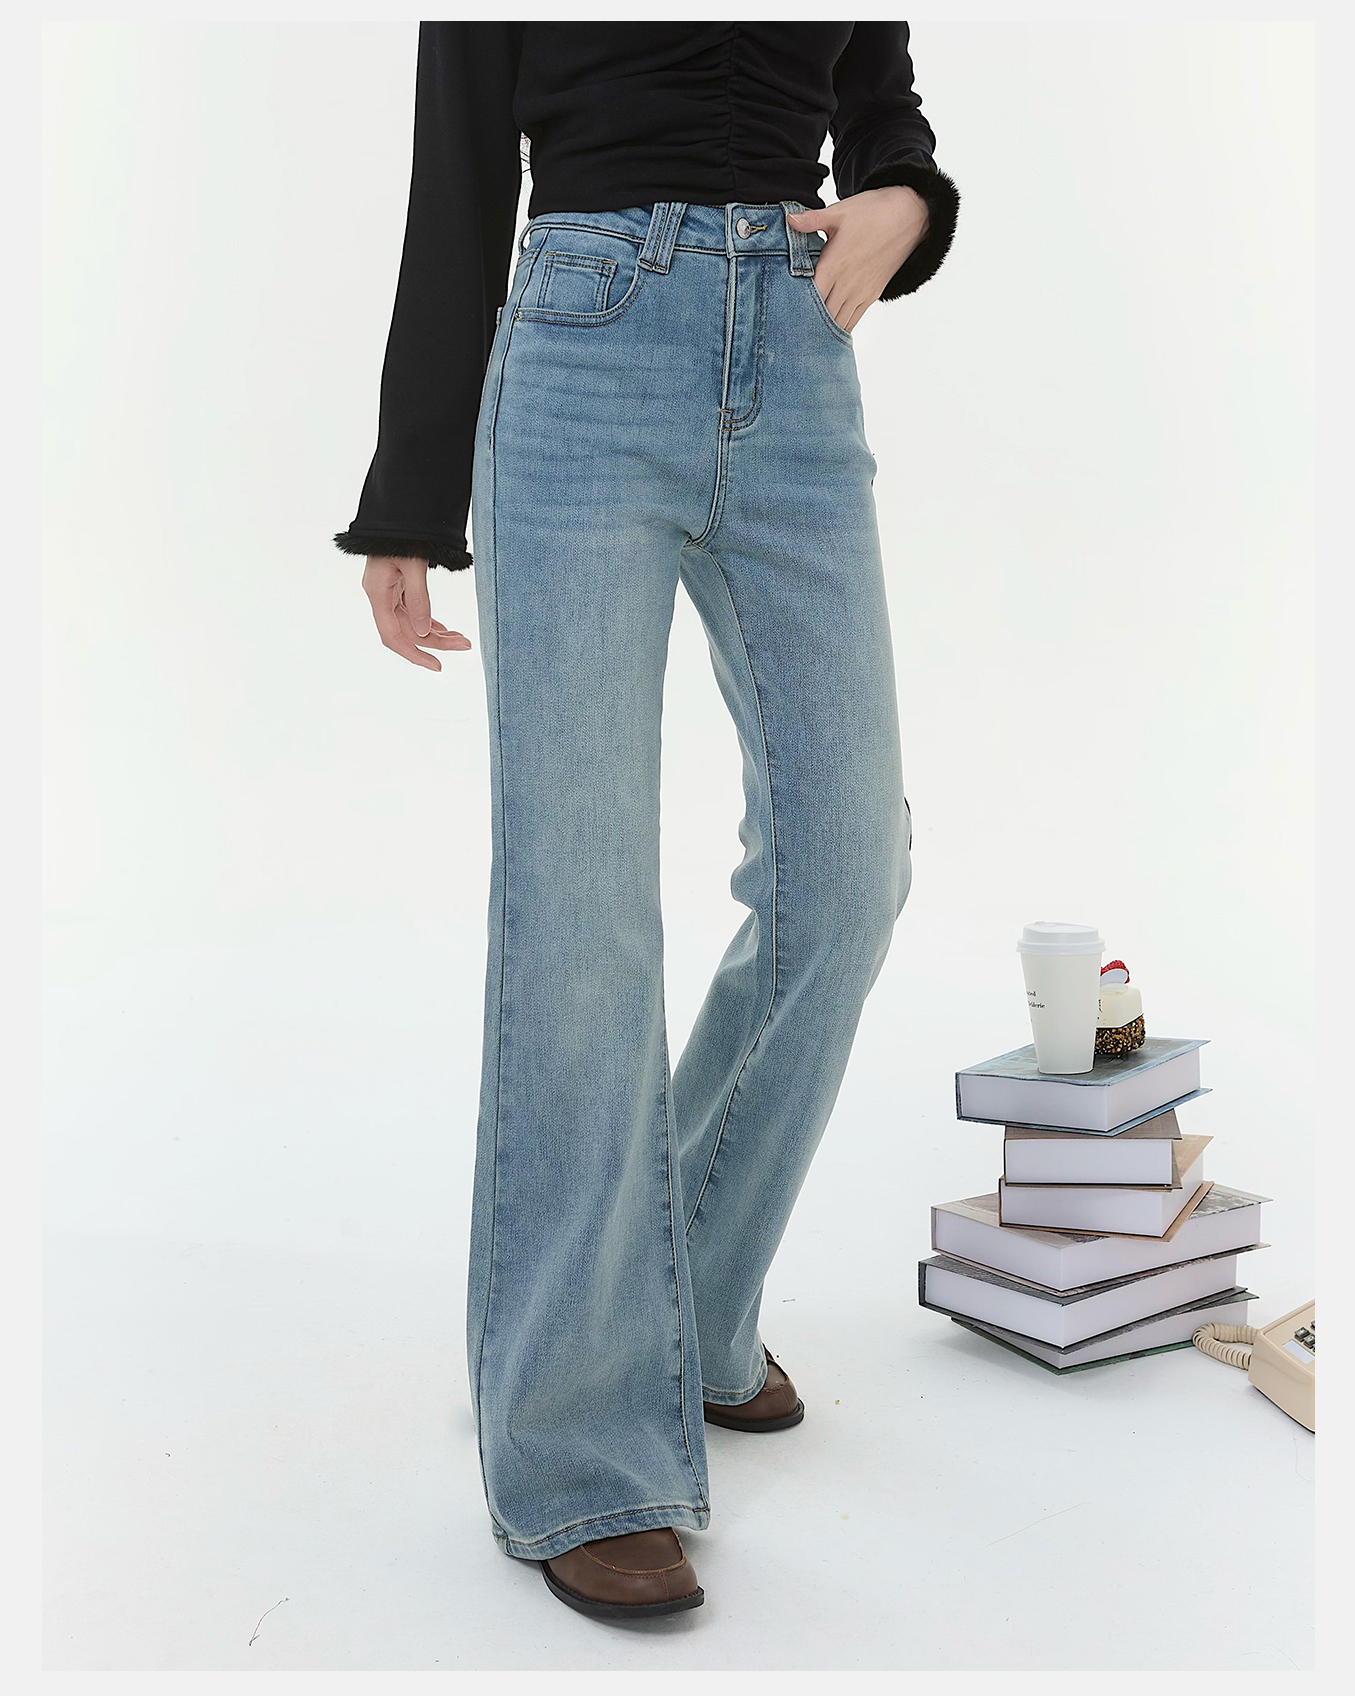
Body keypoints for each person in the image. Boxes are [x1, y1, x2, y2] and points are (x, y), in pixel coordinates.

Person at [334, 21, 959, 1620]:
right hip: (583, 346)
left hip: (798, 347)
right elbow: (459, 176)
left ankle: (674, 1301)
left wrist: (905, 200)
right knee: (584, 912)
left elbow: (881, 108)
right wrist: (411, 492)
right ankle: (574, 1447)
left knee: (848, 873)